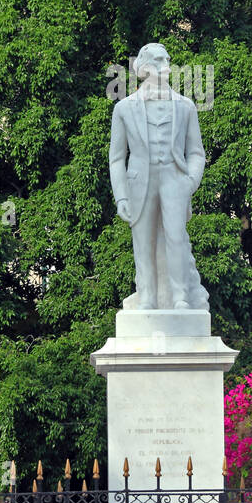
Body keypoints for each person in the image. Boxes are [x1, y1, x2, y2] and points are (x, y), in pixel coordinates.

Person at [109, 42, 208, 310]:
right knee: (144, 242)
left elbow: (197, 152)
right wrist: (121, 197)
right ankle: (148, 299)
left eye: (167, 60)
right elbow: (117, 158)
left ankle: (180, 297)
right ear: (144, 69)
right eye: (159, 61)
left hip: (175, 180)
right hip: (139, 182)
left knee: (176, 237)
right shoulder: (125, 108)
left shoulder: (185, 106)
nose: (166, 66)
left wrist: (190, 182)